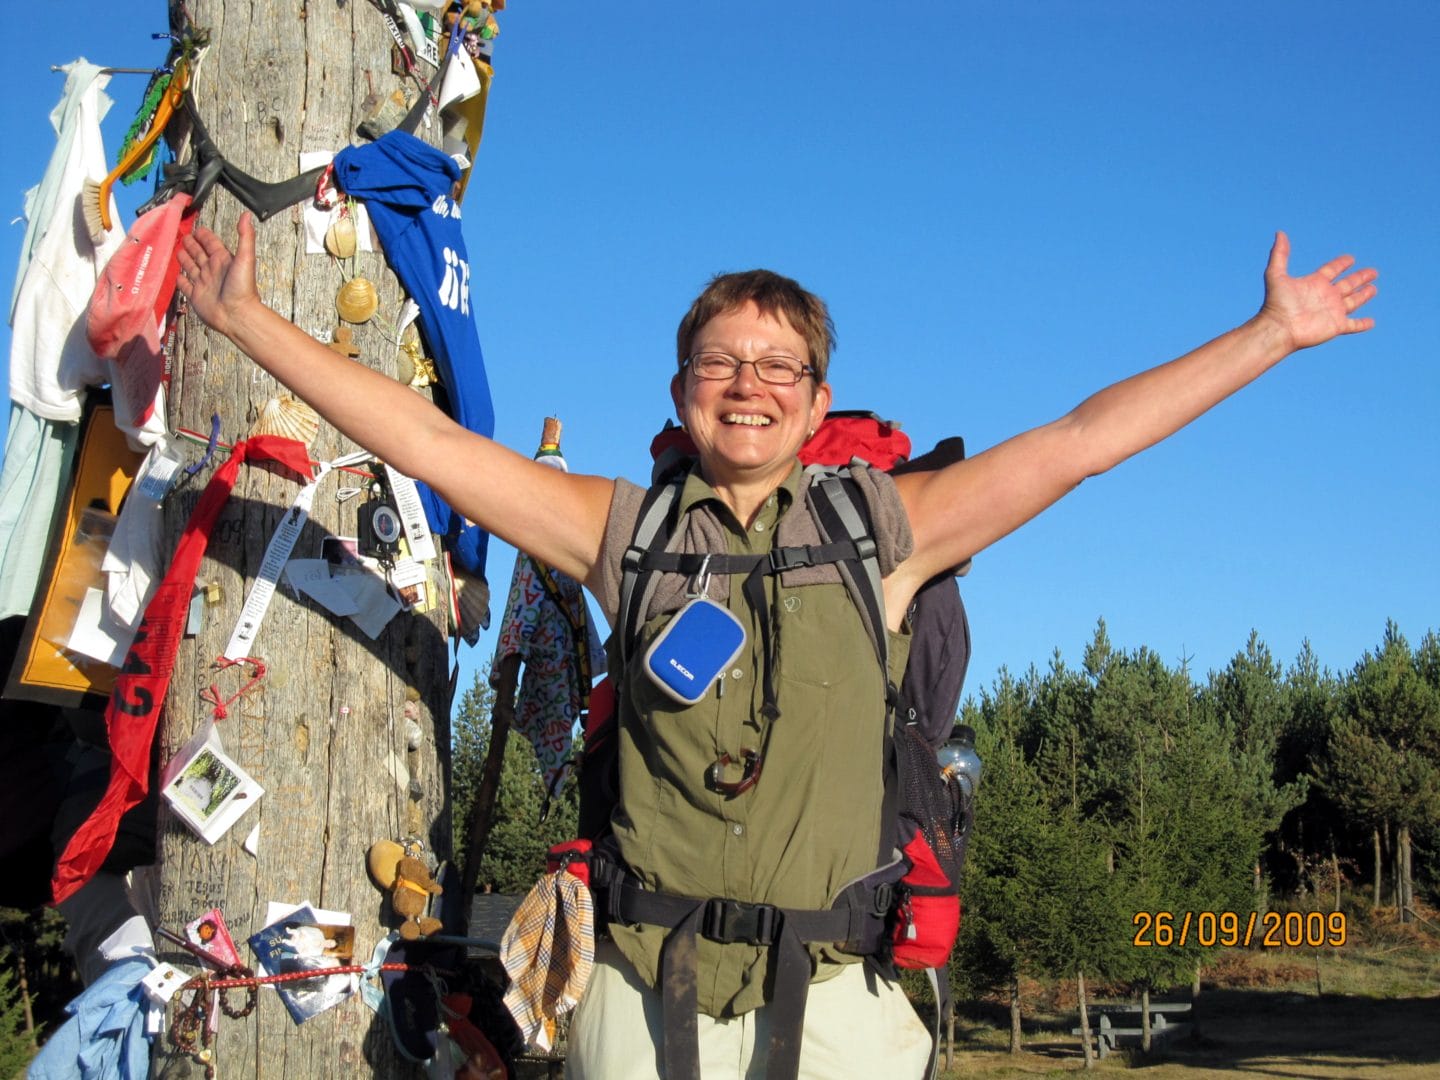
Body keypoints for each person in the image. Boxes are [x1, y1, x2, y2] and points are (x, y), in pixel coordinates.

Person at [176, 216, 1376, 1078]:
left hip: (841, 1010)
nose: (746, 383)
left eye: (776, 365)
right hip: (640, 1008)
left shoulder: (886, 532)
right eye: (719, 361)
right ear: (682, 389)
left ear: (813, 403)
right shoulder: (620, 532)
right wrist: (248, 322)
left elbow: (1082, 439)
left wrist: (1268, 335)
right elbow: (427, 447)